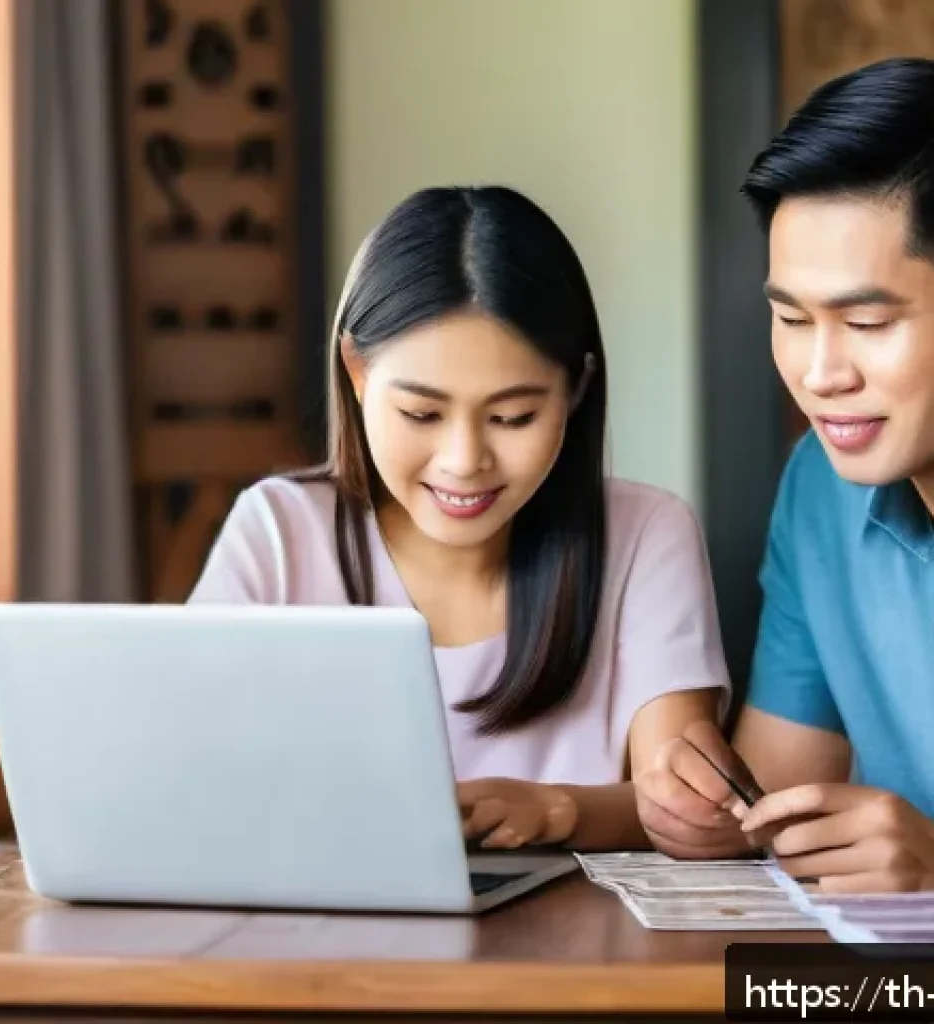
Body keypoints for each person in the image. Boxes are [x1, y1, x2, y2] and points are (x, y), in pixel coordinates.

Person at [189, 184, 730, 852]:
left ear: (578, 388)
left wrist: (563, 811)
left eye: (512, 418)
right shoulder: (278, 533)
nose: (464, 460)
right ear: (356, 374)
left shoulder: (645, 534)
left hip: (580, 946)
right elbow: (190, 777)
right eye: (422, 415)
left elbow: (677, 805)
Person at [635, 57, 934, 891]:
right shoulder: (820, 485)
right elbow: (779, 795)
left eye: (867, 321)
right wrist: (711, 810)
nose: (819, 372)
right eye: (790, 318)